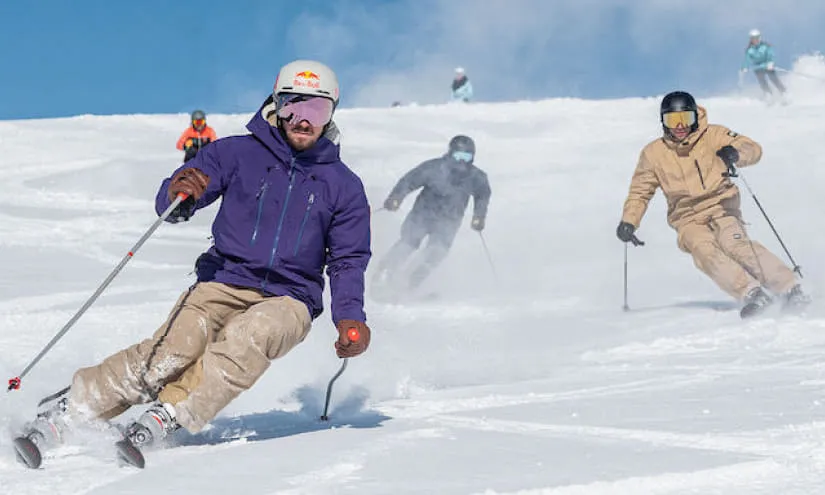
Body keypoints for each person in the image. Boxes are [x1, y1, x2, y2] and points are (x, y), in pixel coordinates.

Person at [22, 60, 372, 450]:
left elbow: (348, 259)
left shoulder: (344, 186)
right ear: (276, 105)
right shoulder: (237, 153)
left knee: (250, 336)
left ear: (331, 115)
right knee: (173, 351)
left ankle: (170, 414)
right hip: (223, 279)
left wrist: (349, 316)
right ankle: (74, 409)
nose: (302, 120)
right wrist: (180, 193)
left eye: (316, 110)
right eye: (293, 106)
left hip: (291, 298)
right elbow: (176, 196)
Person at [616, 90, 808, 319]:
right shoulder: (653, 153)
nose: (679, 126)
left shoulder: (713, 135)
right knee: (703, 250)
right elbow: (640, 191)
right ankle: (751, 293)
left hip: (721, 207)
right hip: (687, 218)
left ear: (695, 117)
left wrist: (736, 153)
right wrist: (629, 221)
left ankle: (790, 287)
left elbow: (752, 148)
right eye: (672, 120)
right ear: (663, 121)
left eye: (685, 119)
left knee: (735, 244)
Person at [373, 135, 491, 292]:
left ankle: (410, 284)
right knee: (409, 242)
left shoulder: (476, 177)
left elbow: (483, 195)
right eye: (458, 156)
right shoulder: (434, 168)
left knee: (437, 252)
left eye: (467, 157)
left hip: (450, 220)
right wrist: (396, 198)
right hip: (422, 215)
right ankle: (384, 273)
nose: (462, 162)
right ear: (450, 153)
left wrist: (479, 216)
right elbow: (409, 180)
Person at [740, 29, 787, 99]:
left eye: (756, 38)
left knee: (774, 79)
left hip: (767, 66)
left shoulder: (765, 46)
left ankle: (783, 92)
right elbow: (747, 60)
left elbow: (770, 54)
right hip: (758, 68)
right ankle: (768, 94)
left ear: (759, 38)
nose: (755, 40)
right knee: (762, 81)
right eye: (753, 38)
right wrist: (744, 67)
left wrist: (770, 62)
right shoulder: (750, 50)